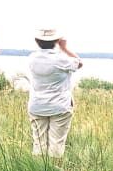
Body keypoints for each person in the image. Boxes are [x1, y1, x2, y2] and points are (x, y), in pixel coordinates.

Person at [26, 27, 83, 159]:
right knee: (56, 144)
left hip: (37, 105)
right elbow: (79, 63)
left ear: (36, 40)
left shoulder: (32, 58)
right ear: (56, 41)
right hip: (59, 106)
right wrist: (64, 48)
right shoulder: (61, 59)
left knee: (38, 144)